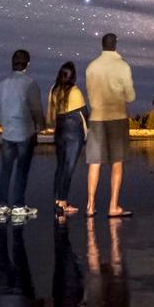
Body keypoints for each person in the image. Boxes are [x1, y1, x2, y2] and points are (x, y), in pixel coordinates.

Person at [85, 33, 136, 217]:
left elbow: (90, 95)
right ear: (116, 45)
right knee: (117, 162)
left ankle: (90, 206)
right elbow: (130, 96)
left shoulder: (92, 66)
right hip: (117, 117)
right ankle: (113, 206)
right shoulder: (122, 66)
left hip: (97, 117)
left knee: (95, 162)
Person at [0, 48, 45, 221]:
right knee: (22, 170)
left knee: (5, 169)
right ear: (27, 64)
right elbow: (37, 110)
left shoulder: (2, 85)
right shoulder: (30, 84)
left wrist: (6, 125)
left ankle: (1, 205)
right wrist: (39, 127)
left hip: (8, 133)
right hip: (25, 132)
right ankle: (18, 205)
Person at [49, 60, 87, 217]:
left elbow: (51, 111)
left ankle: (57, 200)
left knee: (60, 167)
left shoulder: (54, 89)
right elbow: (85, 113)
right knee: (69, 168)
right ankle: (63, 201)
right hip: (73, 130)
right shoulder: (75, 91)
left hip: (60, 129)